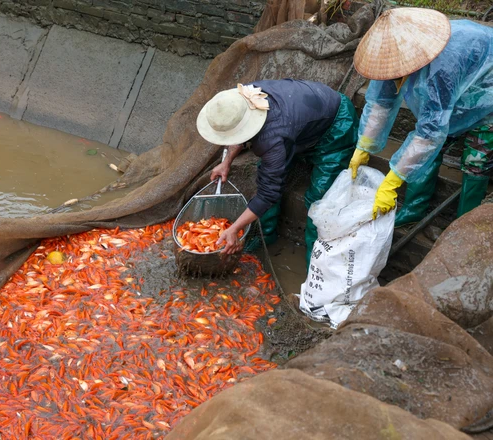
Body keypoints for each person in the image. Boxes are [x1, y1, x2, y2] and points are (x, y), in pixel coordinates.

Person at [348, 8, 493, 224]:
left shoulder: (442, 67)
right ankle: (413, 211)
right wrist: (364, 146)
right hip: (456, 84)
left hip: (485, 91)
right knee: (430, 152)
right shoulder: (389, 56)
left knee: (476, 160)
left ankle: (463, 224)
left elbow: (430, 132)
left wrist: (392, 181)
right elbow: (381, 102)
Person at [196, 79, 358, 264]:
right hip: (299, 115)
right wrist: (226, 162)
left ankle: (316, 263)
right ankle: (266, 235)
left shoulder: (271, 138)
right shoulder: (237, 99)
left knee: (319, 200)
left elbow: (267, 194)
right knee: (267, 173)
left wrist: (234, 228)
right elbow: (236, 133)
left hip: (337, 124)